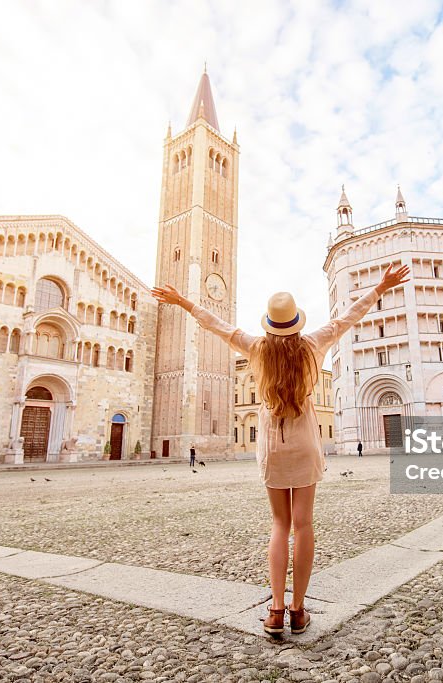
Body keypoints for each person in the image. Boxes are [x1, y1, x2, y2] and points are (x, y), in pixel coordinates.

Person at [151, 264, 409, 636]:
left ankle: (275, 610)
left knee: (280, 524)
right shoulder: (314, 344)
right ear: (296, 323)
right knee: (304, 525)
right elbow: (351, 315)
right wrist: (381, 287)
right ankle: (299, 610)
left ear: (270, 323)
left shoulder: (255, 348)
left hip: (272, 443)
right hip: (305, 442)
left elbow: (214, 324)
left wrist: (181, 301)